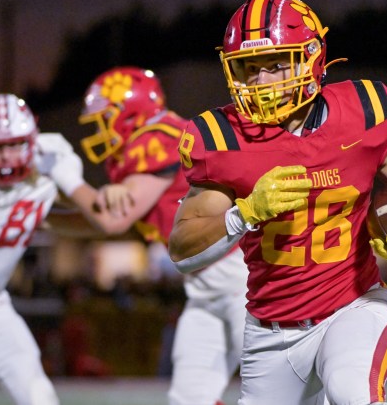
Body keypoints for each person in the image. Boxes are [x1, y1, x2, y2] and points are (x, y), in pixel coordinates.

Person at [168, 0, 387, 404]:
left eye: (275, 64)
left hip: (351, 308)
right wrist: (244, 213)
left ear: (311, 58)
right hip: (270, 331)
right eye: (249, 68)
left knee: (352, 393)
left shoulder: (362, 112)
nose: (261, 81)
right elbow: (182, 246)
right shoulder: (221, 138)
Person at [49, 67, 248, 405]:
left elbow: (114, 218)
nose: (99, 128)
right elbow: (107, 220)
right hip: (207, 285)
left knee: (281, 388)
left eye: (104, 118)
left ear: (130, 112)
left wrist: (68, 180)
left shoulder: (157, 137)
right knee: (190, 396)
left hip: (243, 276)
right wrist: (44, 218)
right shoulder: (145, 142)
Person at [0, 93, 86, 405]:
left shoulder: (50, 163)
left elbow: (88, 211)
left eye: (14, 144)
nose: (7, 157)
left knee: (39, 396)